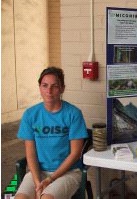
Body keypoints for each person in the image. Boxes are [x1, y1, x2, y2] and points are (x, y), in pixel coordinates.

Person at [15, 67, 88, 199]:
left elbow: (75, 154)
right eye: (45, 86)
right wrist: (38, 183)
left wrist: (51, 179)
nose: (49, 91)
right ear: (39, 87)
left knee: (47, 198)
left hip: (68, 172)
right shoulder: (31, 114)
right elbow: (30, 153)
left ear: (62, 89)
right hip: (38, 172)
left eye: (54, 86)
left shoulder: (73, 114)